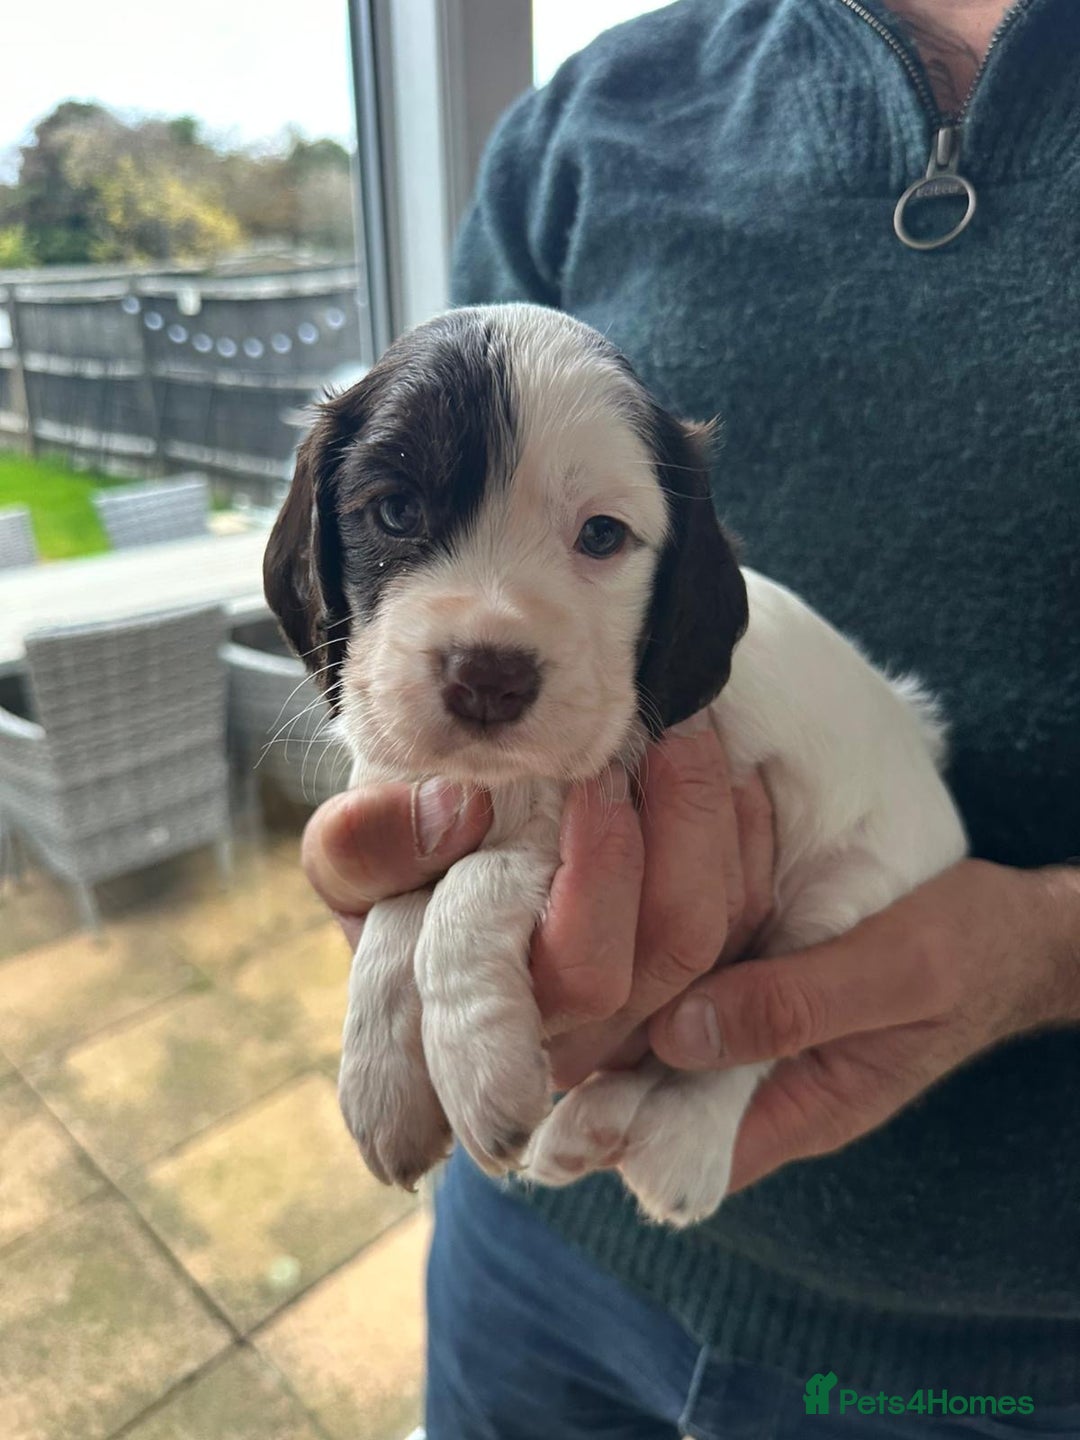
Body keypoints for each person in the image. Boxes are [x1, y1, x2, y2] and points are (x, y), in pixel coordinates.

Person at [300, 0, 1080, 1433]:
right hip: (533, 1247)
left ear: (679, 581)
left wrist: (1046, 946)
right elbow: (464, 835)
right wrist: (397, 915)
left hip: (995, 1347)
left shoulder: (688, 639)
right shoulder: (586, 123)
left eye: (598, 536)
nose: (488, 630)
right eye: (400, 514)